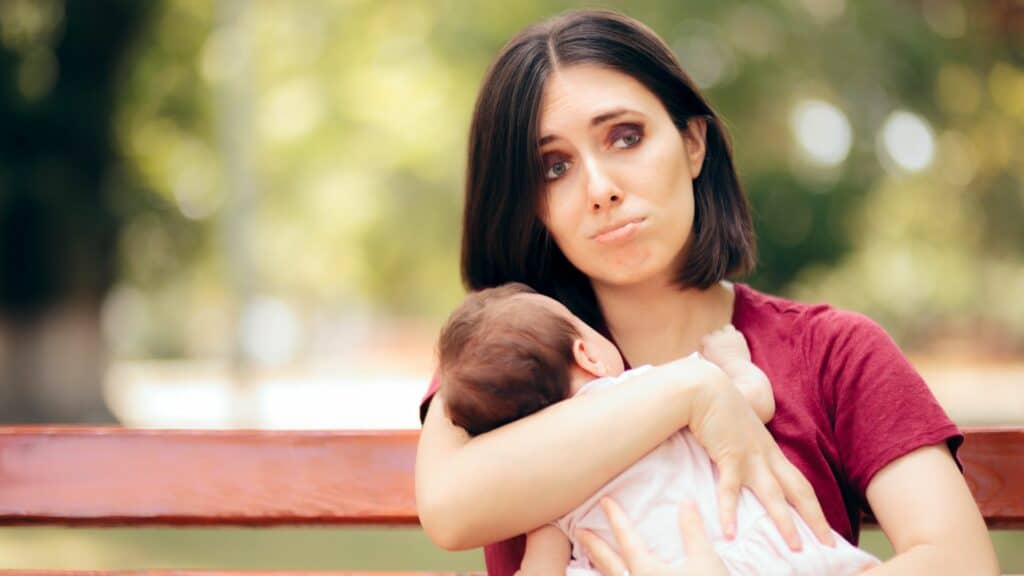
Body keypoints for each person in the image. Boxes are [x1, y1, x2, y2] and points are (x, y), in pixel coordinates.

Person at [414, 9, 998, 575]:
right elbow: (449, 510)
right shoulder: (511, 350)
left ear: (693, 143)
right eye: (553, 167)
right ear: (529, 205)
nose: (600, 188)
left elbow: (961, 563)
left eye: (625, 137)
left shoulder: (833, 352)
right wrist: (693, 389)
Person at [435, 282, 879, 575]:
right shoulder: (652, 389)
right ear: (588, 355)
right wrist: (732, 360)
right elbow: (755, 400)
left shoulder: (546, 487)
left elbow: (541, 569)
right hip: (758, 557)